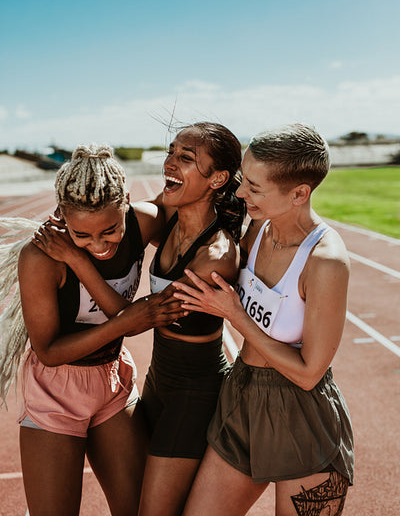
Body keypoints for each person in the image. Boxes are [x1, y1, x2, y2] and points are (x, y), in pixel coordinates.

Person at [173, 123, 354, 516]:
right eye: (244, 180)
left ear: (299, 194)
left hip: (301, 412)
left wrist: (237, 316)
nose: (240, 193)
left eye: (254, 188)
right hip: (242, 395)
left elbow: (308, 373)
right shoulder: (256, 230)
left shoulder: (325, 263)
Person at [0, 143, 184, 516]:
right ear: (61, 215)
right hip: (56, 392)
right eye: (81, 235)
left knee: (142, 510)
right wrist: (123, 323)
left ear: (128, 202)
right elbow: (49, 351)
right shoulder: (41, 258)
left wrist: (80, 260)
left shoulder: (144, 221)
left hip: (113, 381)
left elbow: (188, 220)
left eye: (110, 230)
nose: (99, 245)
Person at [137, 122, 245, 516]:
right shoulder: (170, 215)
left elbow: (150, 313)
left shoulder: (216, 254)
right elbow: (118, 219)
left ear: (217, 179)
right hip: (158, 378)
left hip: (194, 392)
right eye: (171, 152)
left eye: (186, 158)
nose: (170, 162)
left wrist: (75, 256)